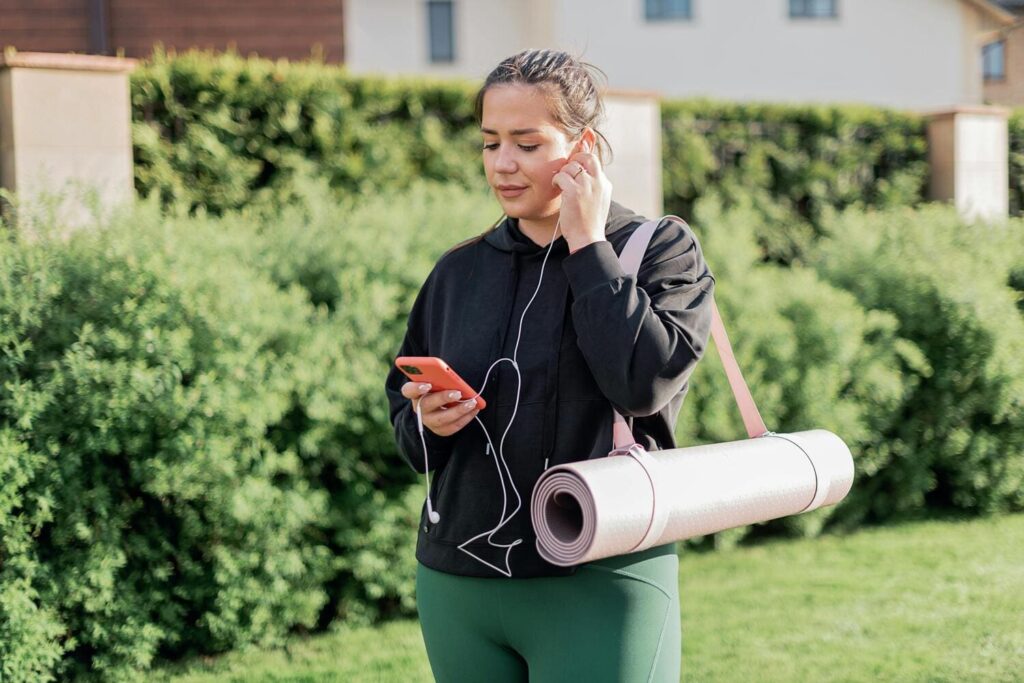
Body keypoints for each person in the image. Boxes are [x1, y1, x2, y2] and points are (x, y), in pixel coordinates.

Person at [384, 48, 715, 682]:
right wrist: (429, 420)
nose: (502, 164)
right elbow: (407, 429)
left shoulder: (659, 251)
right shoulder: (458, 270)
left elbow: (644, 385)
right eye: (490, 143)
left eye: (528, 144)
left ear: (582, 147)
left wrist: (587, 246)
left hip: (601, 578)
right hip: (458, 585)